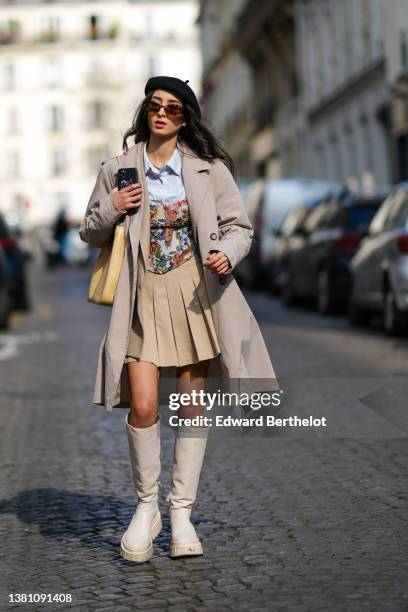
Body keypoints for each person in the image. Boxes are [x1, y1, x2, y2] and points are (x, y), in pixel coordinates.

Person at [79, 75, 279, 564]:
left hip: (196, 299)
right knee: (143, 404)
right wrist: (112, 207)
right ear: (146, 112)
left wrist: (226, 255)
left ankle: (182, 513)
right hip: (141, 300)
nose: (161, 113)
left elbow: (240, 228)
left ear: (185, 116)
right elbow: (89, 229)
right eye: (154, 105)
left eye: (171, 107)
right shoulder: (119, 169)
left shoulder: (208, 169)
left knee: (192, 404)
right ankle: (147, 508)